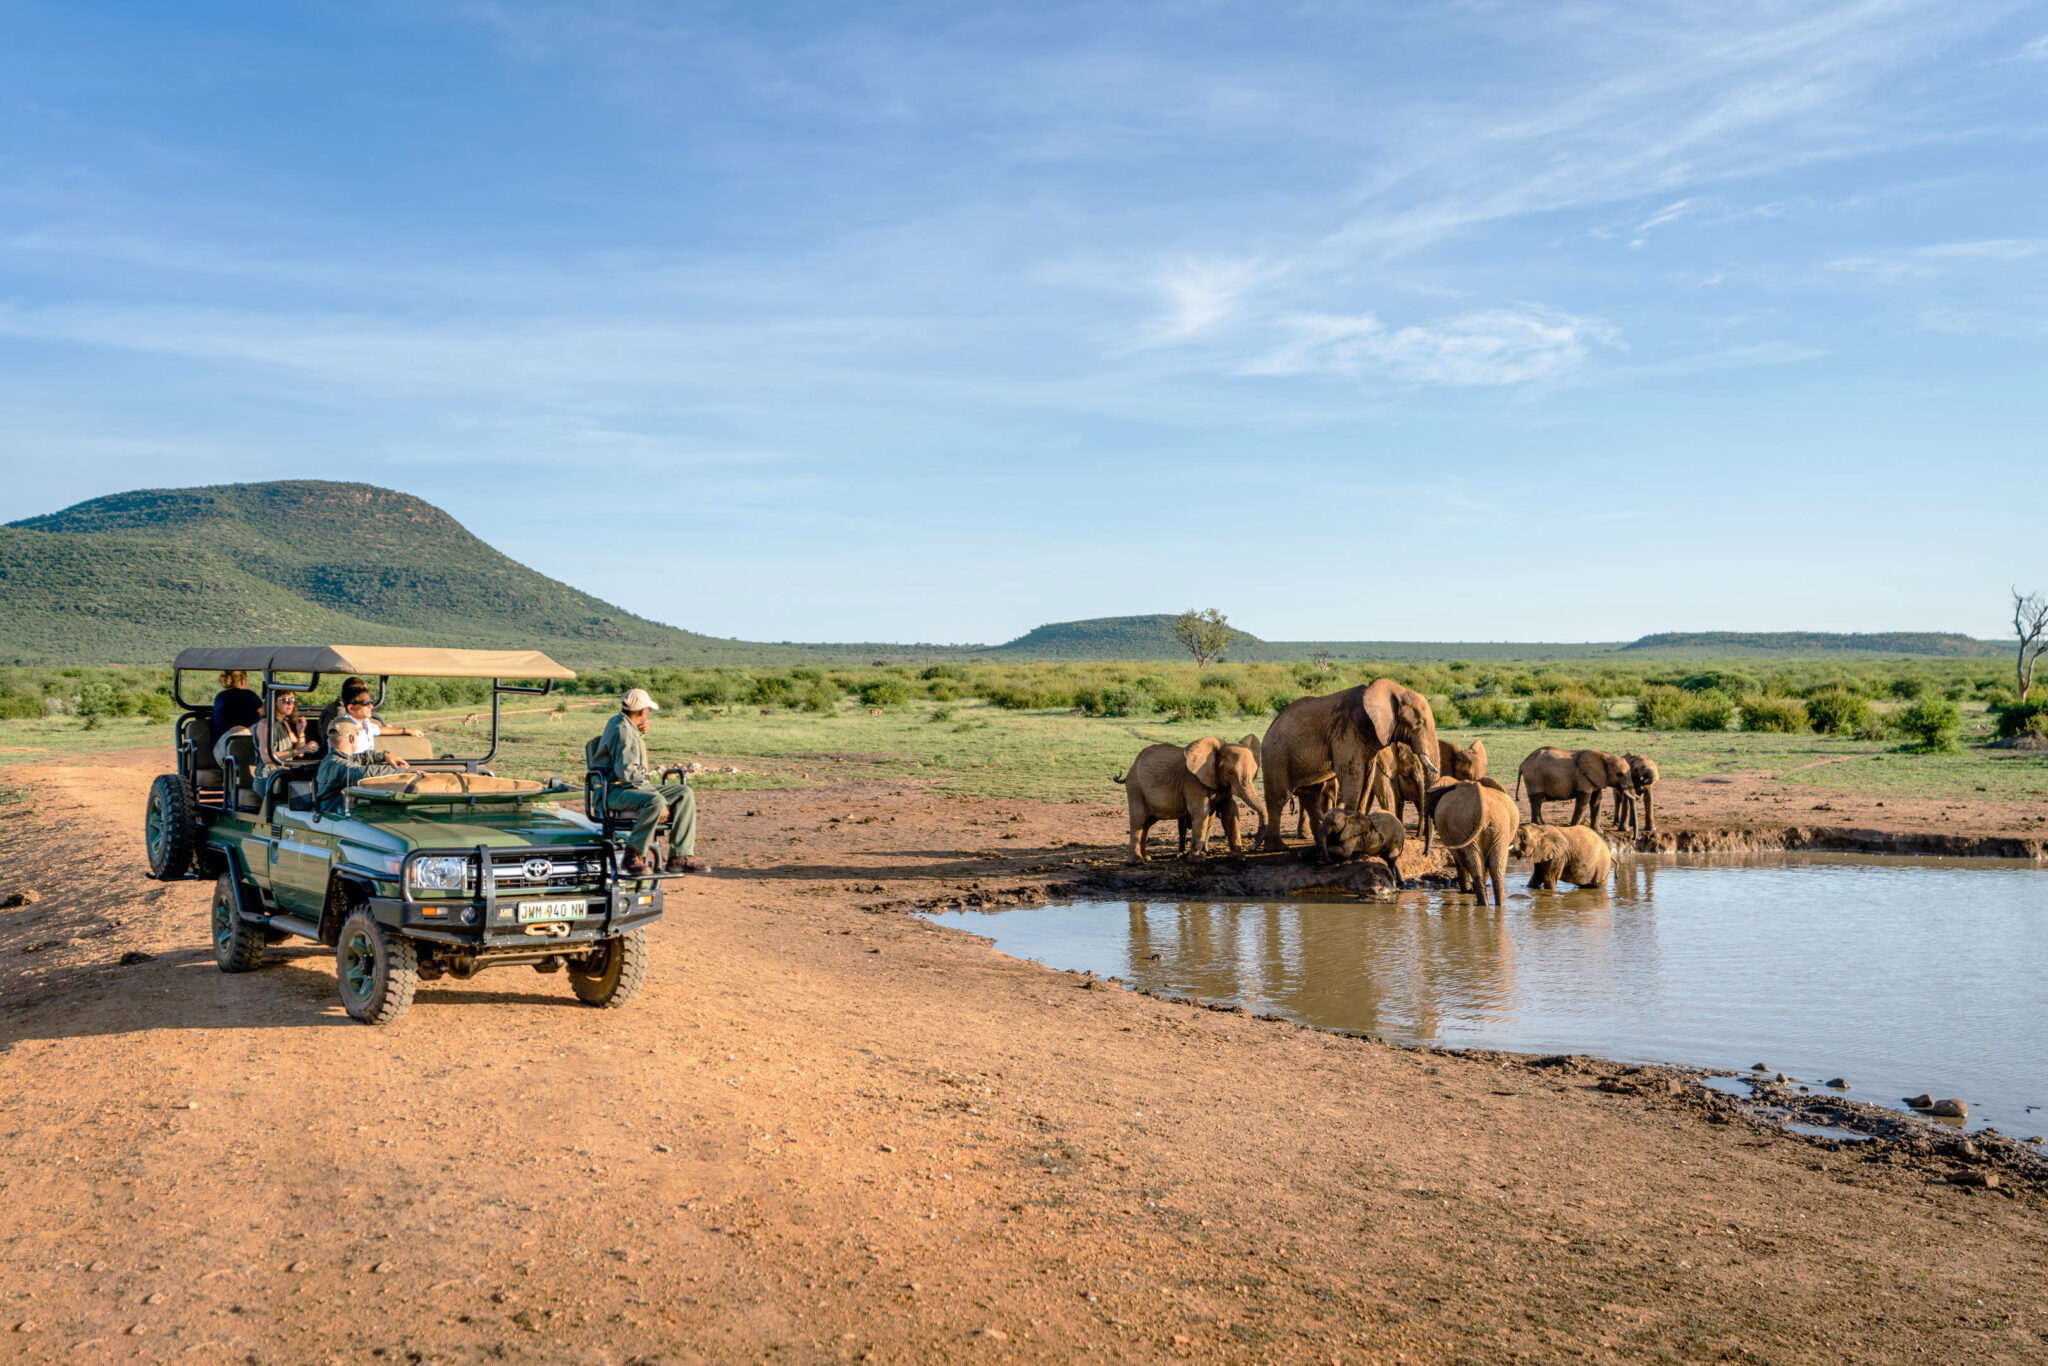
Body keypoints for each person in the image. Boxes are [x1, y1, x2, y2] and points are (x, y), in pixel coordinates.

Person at [590, 687, 707, 876]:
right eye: (648, 710)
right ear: (643, 711)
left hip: (625, 787)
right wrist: (655, 797)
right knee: (656, 801)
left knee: (684, 793)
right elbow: (628, 775)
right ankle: (633, 855)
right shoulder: (624, 732)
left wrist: (639, 732)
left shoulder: (622, 723)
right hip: (611, 791)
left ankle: (680, 856)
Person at [314, 719, 410, 815]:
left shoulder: (332, 759)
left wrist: (384, 756)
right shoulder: (338, 765)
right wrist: (404, 772)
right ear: (352, 738)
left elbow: (360, 758)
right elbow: (364, 772)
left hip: (336, 816)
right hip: (335, 818)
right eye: (357, 735)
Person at [340, 689, 422, 756]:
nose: (371, 706)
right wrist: (384, 756)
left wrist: (406, 730)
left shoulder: (366, 723)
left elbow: (379, 729)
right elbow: (345, 761)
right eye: (366, 703)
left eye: (371, 702)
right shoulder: (342, 728)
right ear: (351, 708)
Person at [210, 670, 263, 767]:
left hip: (219, 750)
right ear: (243, 681)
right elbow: (266, 715)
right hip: (237, 745)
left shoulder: (220, 697)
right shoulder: (249, 695)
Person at [255, 689, 315, 766]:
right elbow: (266, 757)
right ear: (274, 701)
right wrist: (297, 751)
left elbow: (300, 753)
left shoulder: (284, 723)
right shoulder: (264, 724)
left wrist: (301, 732)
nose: (290, 703)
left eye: (293, 699)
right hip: (270, 774)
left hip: (285, 770)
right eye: (285, 700)